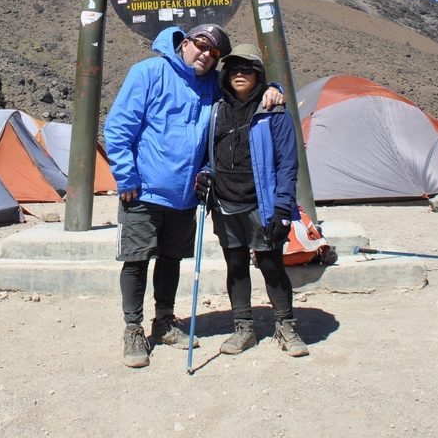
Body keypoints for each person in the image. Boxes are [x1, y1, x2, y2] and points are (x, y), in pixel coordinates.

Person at [104, 25, 284, 369]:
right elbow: (119, 126)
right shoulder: (148, 72)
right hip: (143, 189)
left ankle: (165, 321)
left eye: (215, 53)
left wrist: (273, 89)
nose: (206, 54)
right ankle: (133, 328)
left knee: (171, 259)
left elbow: (243, 91)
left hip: (186, 195)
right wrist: (126, 176)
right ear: (186, 42)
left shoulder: (211, 85)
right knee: (137, 258)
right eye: (202, 45)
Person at [195, 43, 310, 357]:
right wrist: (205, 175)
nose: (239, 74)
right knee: (236, 266)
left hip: (263, 204)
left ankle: (286, 327)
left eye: (247, 68)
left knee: (271, 265)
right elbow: (211, 154)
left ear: (259, 74)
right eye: (233, 68)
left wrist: (283, 207)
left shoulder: (274, 112)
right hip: (224, 203)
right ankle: (243, 328)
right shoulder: (217, 110)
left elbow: (288, 163)